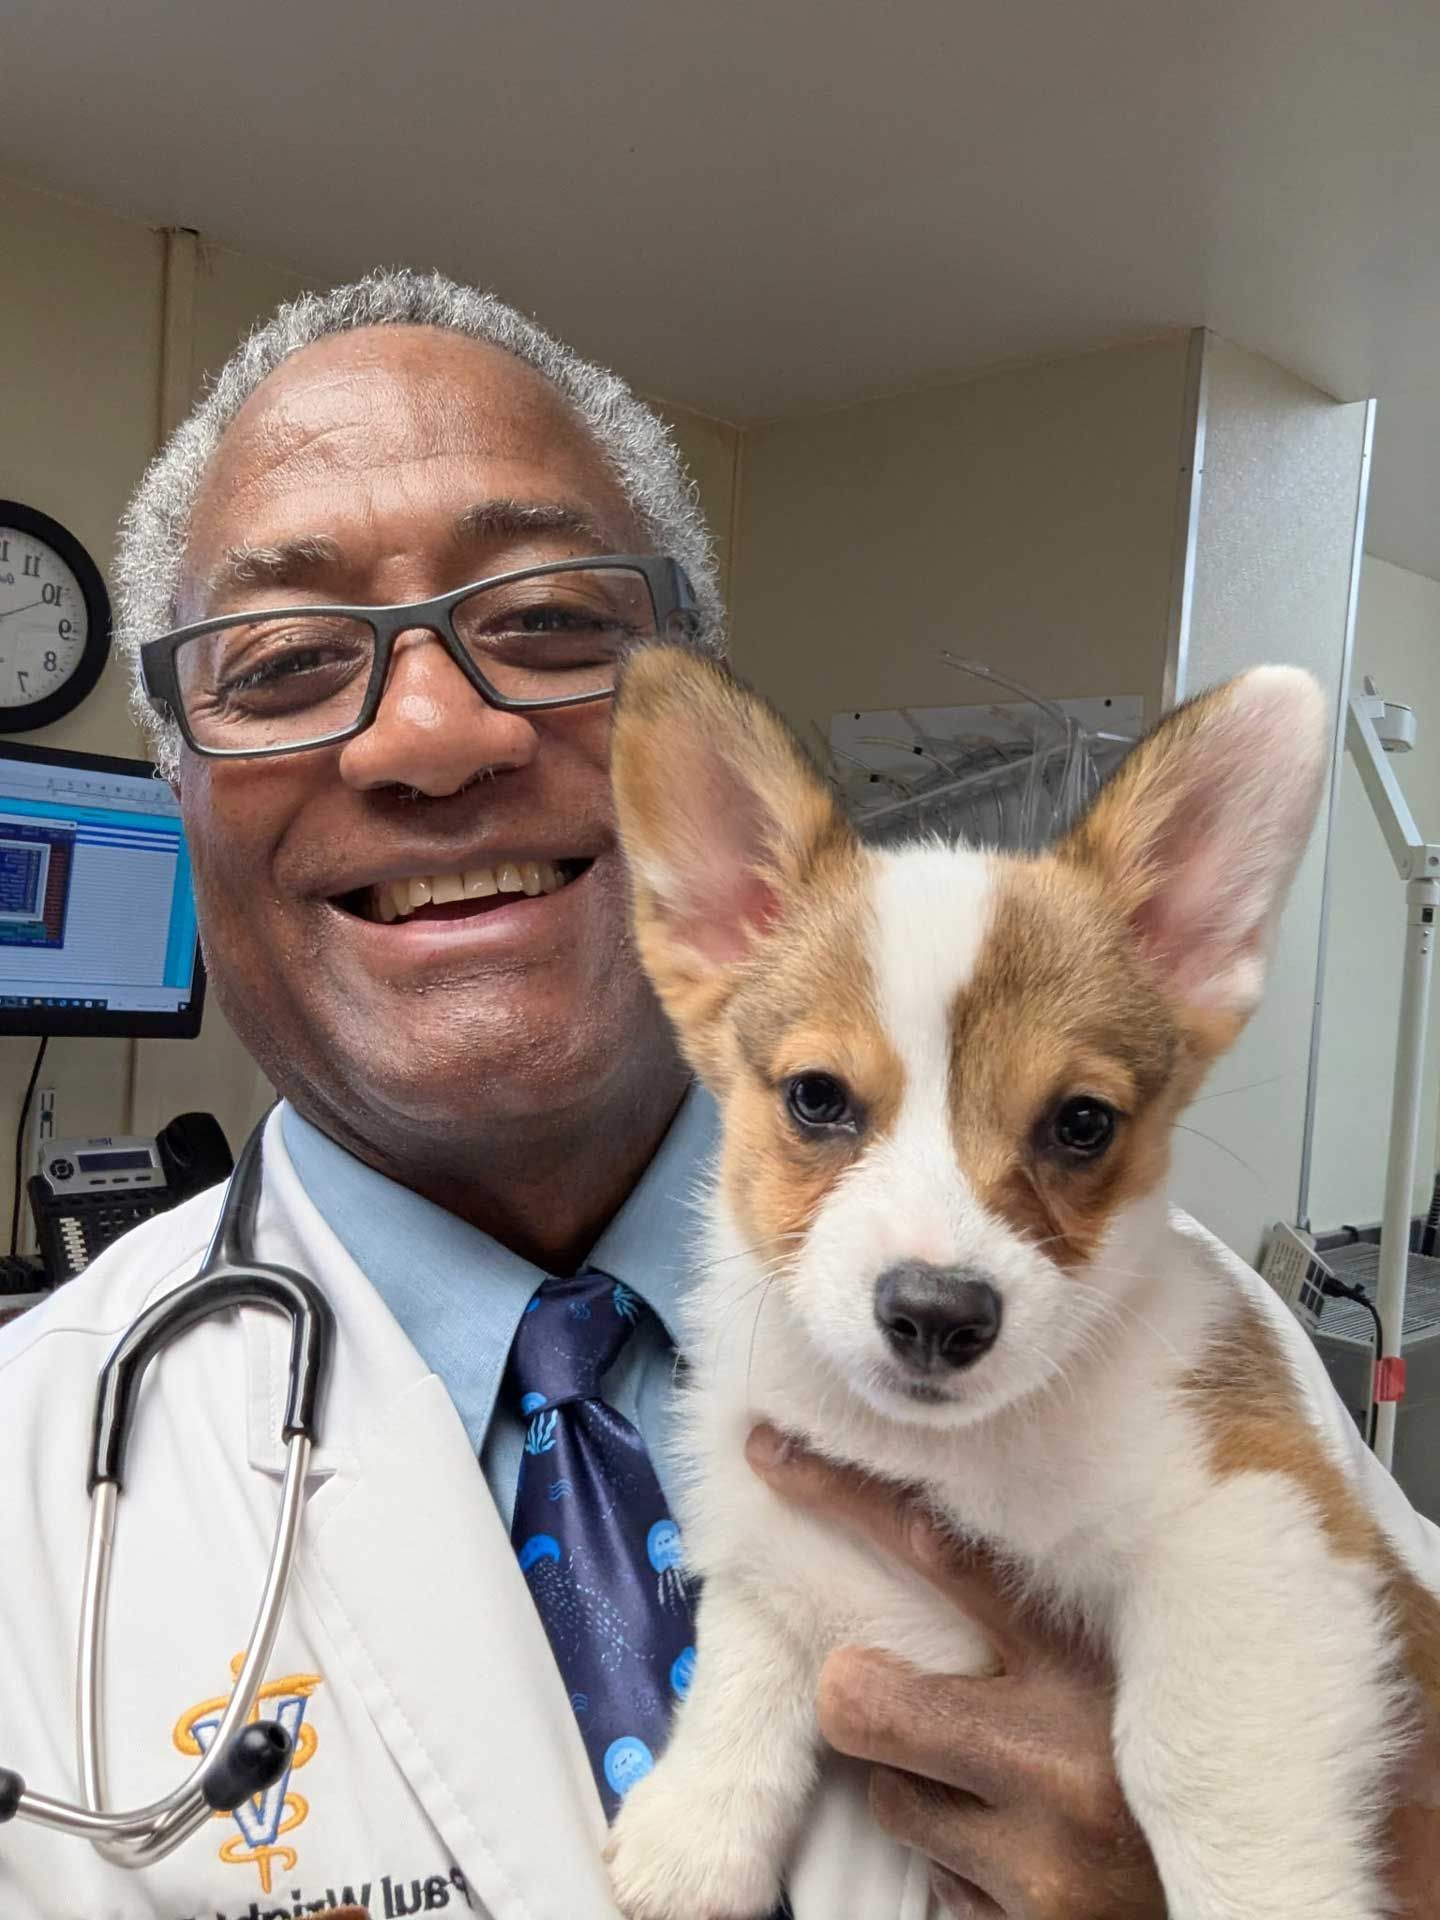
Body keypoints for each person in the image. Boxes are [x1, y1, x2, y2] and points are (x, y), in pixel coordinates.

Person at [0, 269, 1434, 1920]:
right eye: (283, 661)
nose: (430, 734)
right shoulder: (38, 1483)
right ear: (174, 782)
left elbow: (1367, 1662)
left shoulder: (1164, 1326)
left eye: (544, 622)